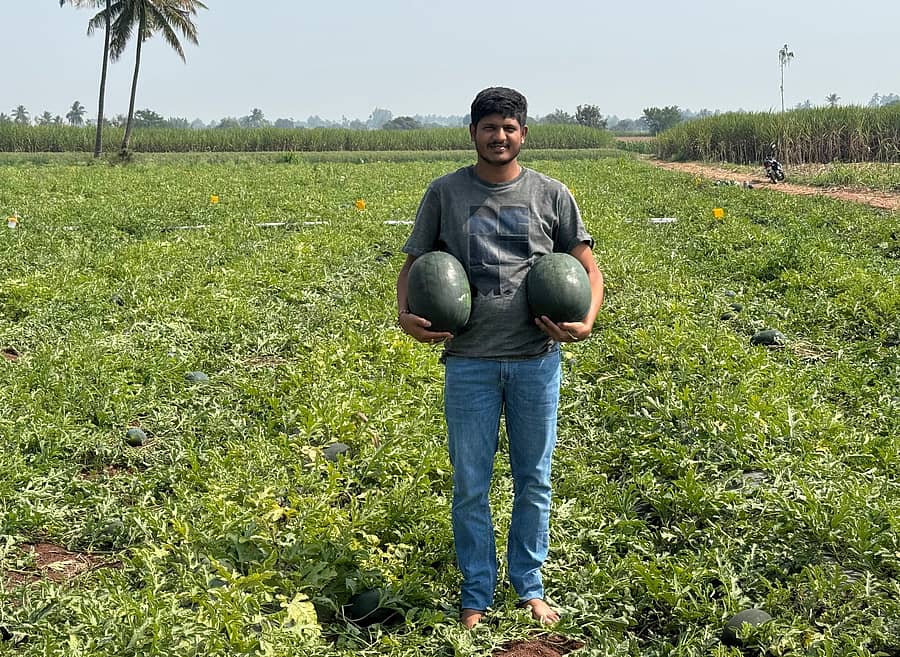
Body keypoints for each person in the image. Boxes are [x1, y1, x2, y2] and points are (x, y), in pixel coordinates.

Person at [396, 87, 604, 629]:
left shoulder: (551, 194)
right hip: (469, 362)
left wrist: (586, 320)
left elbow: (588, 266)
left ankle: (529, 586)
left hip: (536, 360)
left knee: (534, 479)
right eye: (489, 127)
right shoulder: (445, 193)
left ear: (523, 134)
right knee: (471, 483)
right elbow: (414, 265)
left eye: (509, 127)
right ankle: (476, 594)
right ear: (473, 133)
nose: (499, 136)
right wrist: (405, 315)